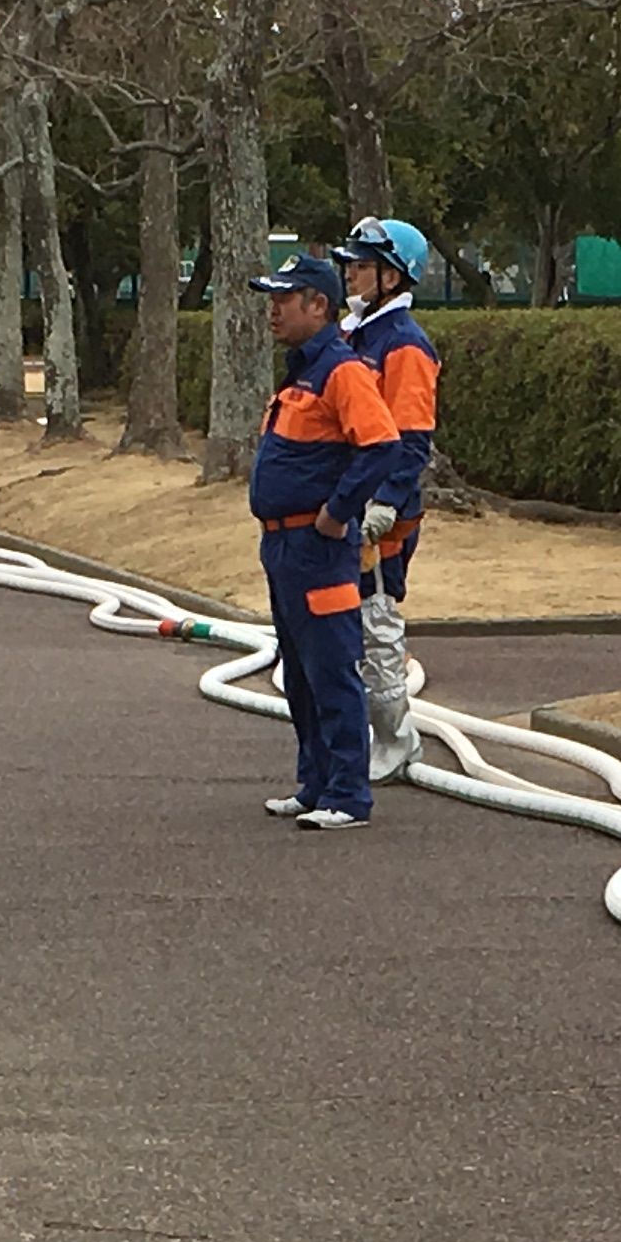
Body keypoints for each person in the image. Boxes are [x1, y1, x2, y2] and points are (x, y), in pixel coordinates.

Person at [246, 251, 400, 829]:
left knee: (332, 668)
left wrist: (338, 512)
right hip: (283, 547)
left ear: (319, 305)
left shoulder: (341, 370)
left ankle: (348, 794)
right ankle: (314, 783)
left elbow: (381, 443)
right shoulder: (303, 370)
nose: (273, 311)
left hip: (319, 547)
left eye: (284, 300)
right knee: (300, 670)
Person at [336, 215, 438, 781]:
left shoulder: (403, 345)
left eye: (364, 265)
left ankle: (396, 742)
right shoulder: (357, 334)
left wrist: (386, 504)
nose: (351, 273)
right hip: (347, 503)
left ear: (395, 276)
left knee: (376, 624)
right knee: (346, 627)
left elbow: (410, 435)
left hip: (380, 518)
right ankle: (368, 737)